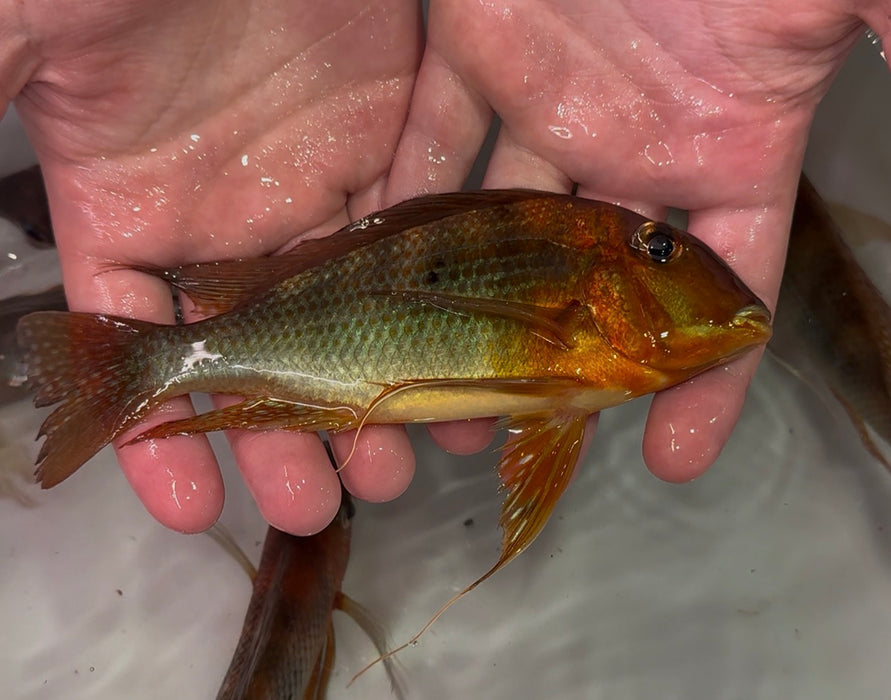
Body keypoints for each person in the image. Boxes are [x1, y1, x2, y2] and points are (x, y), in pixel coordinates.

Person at [2, 0, 885, 535]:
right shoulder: (591, 333)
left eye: (662, 245)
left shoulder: (599, 353)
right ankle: (140, 363)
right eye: (656, 247)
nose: (668, 249)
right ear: (604, 286)